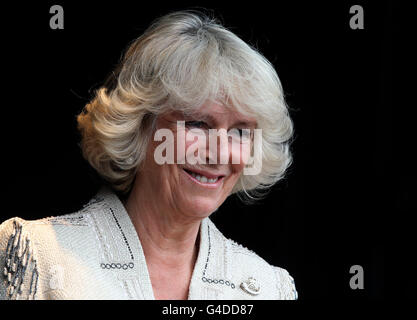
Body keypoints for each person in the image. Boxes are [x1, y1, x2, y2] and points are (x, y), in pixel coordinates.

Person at [0, 10, 297, 300]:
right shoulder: (35, 254)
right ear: (139, 125)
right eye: (197, 123)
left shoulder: (270, 286)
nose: (220, 153)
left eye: (240, 131)